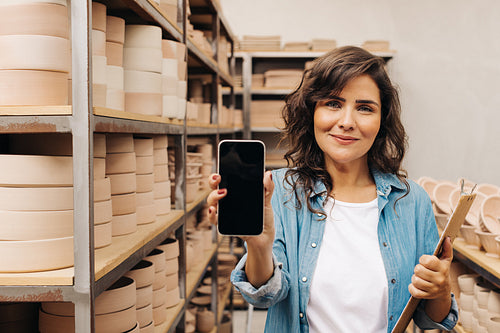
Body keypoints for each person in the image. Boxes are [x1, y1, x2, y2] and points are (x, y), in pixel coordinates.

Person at [206, 46, 458, 332]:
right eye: (333, 103)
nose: (347, 122)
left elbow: (429, 318)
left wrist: (440, 289)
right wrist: (258, 245)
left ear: (382, 120)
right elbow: (266, 296)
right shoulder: (280, 192)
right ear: (312, 111)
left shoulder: (412, 200)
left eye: (364, 108)